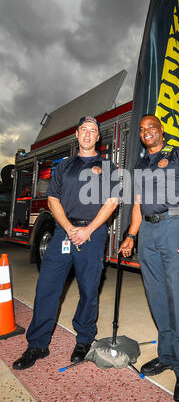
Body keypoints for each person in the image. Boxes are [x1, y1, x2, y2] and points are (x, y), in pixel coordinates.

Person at [13, 116, 119, 370]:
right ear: (77, 133)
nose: (88, 134)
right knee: (47, 286)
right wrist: (70, 228)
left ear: (98, 137)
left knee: (89, 289)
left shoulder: (108, 167)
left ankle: (84, 339)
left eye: (93, 130)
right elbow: (53, 201)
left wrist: (89, 229)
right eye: (84, 129)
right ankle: (37, 344)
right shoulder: (64, 166)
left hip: (93, 234)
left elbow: (112, 202)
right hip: (64, 232)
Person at [119, 114, 179, 402]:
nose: (146, 133)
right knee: (157, 297)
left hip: (173, 227)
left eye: (151, 128)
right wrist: (131, 236)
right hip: (147, 232)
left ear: (161, 130)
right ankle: (166, 355)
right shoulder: (142, 165)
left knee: (177, 297)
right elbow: (138, 204)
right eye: (142, 130)